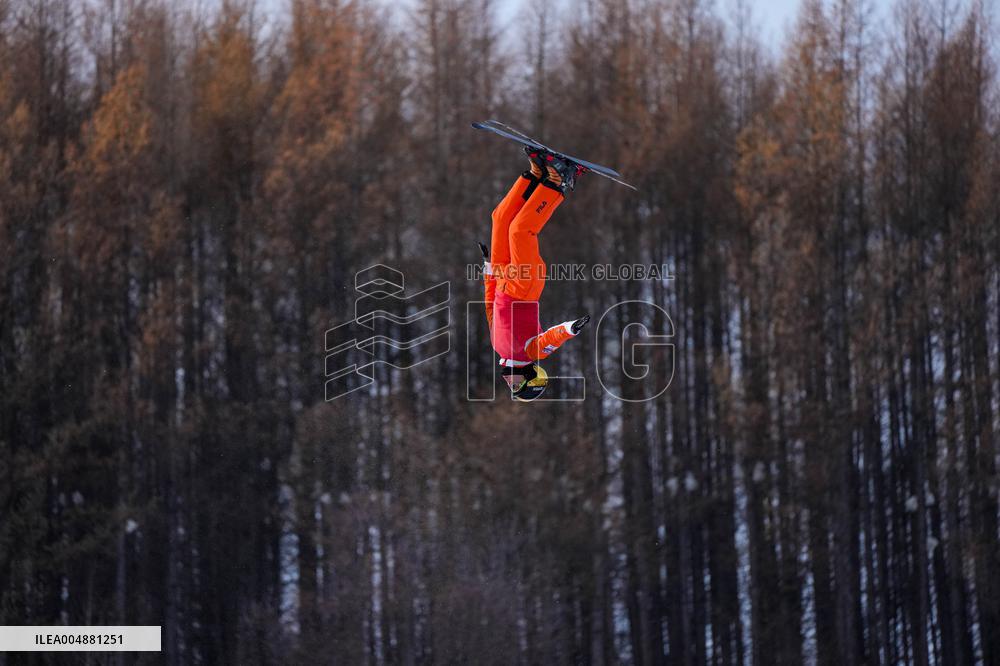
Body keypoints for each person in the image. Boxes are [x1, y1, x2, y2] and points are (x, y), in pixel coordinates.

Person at [479, 148, 591, 401]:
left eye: (511, 385)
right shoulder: (530, 353)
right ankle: (559, 181)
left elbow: (489, 306)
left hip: (501, 278)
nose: (510, 380)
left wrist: (488, 268)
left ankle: (536, 175)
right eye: (518, 383)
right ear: (532, 374)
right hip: (523, 287)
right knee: (520, 231)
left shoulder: (498, 347)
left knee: (500, 219)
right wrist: (570, 329)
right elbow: (552, 338)